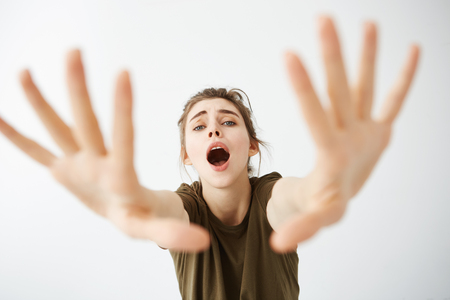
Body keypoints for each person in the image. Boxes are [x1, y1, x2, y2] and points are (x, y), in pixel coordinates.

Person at [0, 16, 419, 300]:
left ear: (251, 145)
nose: (214, 129)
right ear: (189, 155)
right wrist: (138, 205)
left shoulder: (270, 194)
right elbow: (163, 210)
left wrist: (320, 189)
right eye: (199, 126)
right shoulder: (187, 207)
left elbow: (294, 199)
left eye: (228, 122)